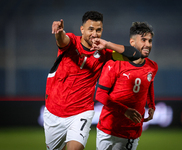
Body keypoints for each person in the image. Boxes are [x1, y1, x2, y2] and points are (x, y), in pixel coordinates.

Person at [43, 11, 141, 150]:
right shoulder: (72, 42)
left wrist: (107, 44)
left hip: (81, 112)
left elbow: (134, 55)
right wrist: (59, 31)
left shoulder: (104, 53)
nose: (94, 33)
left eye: (98, 30)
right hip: (54, 111)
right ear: (82, 29)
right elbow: (62, 39)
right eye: (91, 29)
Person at [94, 22, 158, 150]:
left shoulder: (152, 66)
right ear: (132, 43)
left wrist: (151, 105)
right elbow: (100, 95)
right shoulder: (115, 64)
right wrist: (125, 111)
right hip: (107, 128)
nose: (148, 45)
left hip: (130, 131)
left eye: (150, 41)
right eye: (143, 40)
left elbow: (149, 84)